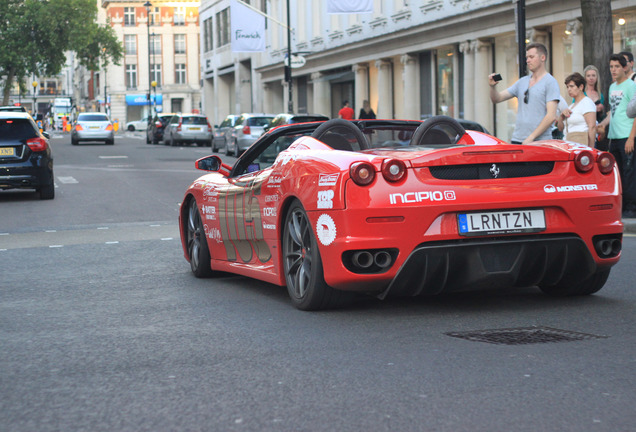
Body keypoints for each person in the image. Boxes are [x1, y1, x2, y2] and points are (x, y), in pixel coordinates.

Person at [489, 42, 560, 144]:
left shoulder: (550, 82)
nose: (528, 60)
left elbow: (551, 116)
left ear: (542, 58)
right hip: (517, 139)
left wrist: (531, 137)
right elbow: (497, 98)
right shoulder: (522, 82)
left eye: (531, 57)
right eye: (527, 58)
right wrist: (492, 87)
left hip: (540, 142)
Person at [598, 54, 636, 217]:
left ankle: (631, 208)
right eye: (611, 67)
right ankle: (620, 206)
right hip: (613, 137)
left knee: (629, 174)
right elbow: (613, 112)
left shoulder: (631, 86)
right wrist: (603, 125)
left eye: (616, 67)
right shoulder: (612, 87)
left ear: (624, 68)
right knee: (617, 174)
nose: (613, 70)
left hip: (627, 137)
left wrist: (631, 138)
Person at [556, 73, 596, 147]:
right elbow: (561, 128)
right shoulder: (571, 106)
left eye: (571, 86)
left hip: (581, 144)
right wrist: (561, 118)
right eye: (567, 87)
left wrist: (591, 150)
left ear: (581, 87)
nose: (569, 89)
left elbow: (592, 127)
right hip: (569, 144)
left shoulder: (586, 102)